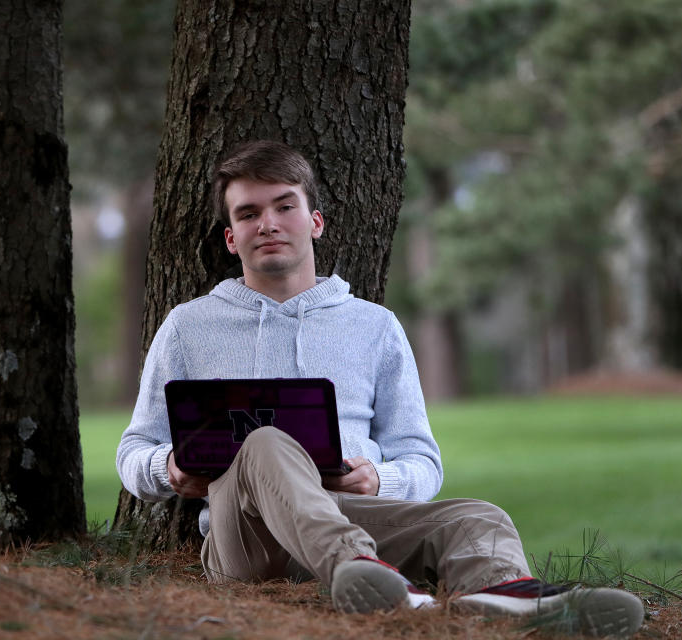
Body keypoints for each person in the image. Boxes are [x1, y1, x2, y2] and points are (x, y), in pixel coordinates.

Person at [116, 140, 644, 637]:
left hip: (351, 514)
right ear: (231, 237)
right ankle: (361, 572)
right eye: (248, 213)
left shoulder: (374, 327)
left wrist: (380, 480)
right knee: (265, 441)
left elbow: (422, 460)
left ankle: (509, 599)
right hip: (249, 537)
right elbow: (133, 448)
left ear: (315, 222)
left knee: (479, 516)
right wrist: (168, 468)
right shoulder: (189, 326)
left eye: (284, 206)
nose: (268, 224)